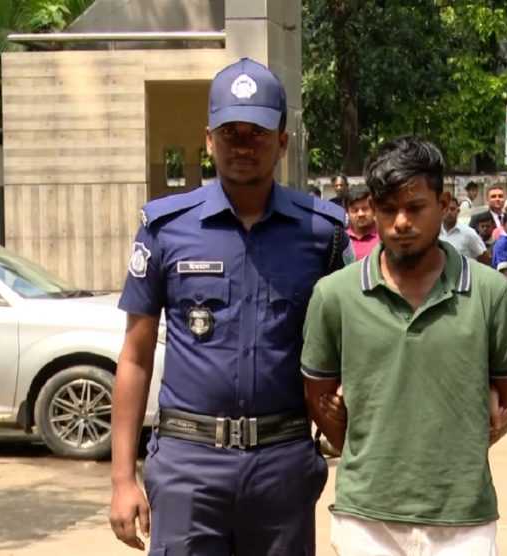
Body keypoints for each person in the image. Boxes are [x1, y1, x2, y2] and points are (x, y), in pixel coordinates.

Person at [108, 58, 350, 555]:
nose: (243, 145)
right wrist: (122, 479)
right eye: (229, 132)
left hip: (282, 465)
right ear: (208, 139)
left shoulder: (322, 233)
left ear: (282, 141)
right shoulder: (165, 229)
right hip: (188, 465)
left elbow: (352, 344)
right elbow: (135, 357)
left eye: (257, 132)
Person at [301, 136, 507, 555]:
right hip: (366, 520)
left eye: (415, 207)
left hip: (463, 521)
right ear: (373, 208)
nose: (401, 222)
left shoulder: (490, 292)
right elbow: (318, 397)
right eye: (388, 209)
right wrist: (373, 448)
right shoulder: (334, 295)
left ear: (443, 204)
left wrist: (458, 446)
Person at [440, 196, 488, 263]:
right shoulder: (434, 233)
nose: (449, 212)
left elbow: (483, 256)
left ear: (458, 211)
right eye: (446, 209)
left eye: (452, 209)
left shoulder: (468, 233)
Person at [345, 184, 379, 260]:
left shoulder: (383, 238)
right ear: (347, 212)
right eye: (355, 210)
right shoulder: (341, 240)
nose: (360, 214)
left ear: (374, 209)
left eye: (365, 209)